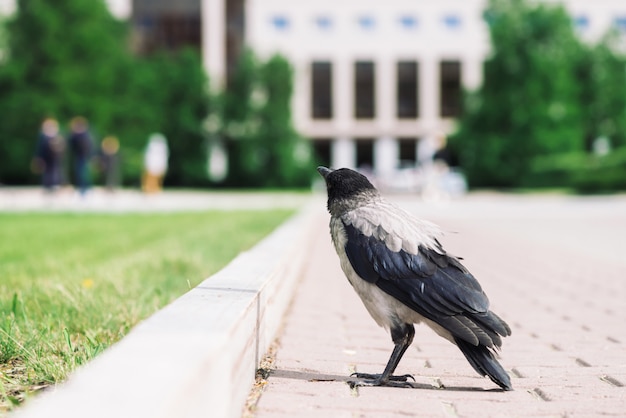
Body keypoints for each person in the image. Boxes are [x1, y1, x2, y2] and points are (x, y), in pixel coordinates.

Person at [32, 117, 65, 192]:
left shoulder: (55, 136)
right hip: (47, 156)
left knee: (54, 171)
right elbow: (40, 148)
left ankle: (54, 184)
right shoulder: (44, 136)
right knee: (48, 171)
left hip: (54, 157)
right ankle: (48, 185)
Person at [67, 116, 94, 196]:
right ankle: (83, 188)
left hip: (84, 157)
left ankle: (84, 189)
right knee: (81, 173)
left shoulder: (84, 135)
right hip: (80, 157)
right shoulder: (81, 135)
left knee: (83, 173)